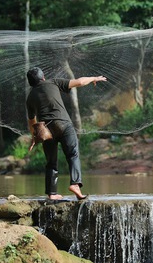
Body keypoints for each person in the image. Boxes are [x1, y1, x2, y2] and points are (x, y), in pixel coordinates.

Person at [26, 67, 107, 200]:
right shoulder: (53, 82)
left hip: (45, 130)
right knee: (73, 154)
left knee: (51, 162)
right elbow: (79, 82)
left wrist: (34, 137)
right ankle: (75, 184)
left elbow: (31, 121)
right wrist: (94, 78)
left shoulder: (30, 98)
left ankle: (52, 193)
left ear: (31, 83)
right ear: (43, 77)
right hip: (63, 123)